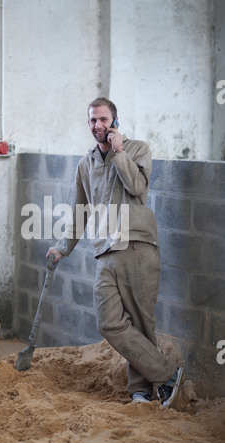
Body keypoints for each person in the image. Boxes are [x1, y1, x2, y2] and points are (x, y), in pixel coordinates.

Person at [46, 97, 183, 407]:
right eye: (93, 120)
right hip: (105, 250)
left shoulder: (137, 149)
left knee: (141, 323)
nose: (98, 126)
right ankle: (167, 373)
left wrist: (119, 150)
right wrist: (62, 248)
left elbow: (137, 187)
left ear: (115, 121)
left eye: (103, 120)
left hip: (137, 245)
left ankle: (141, 392)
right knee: (108, 322)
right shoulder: (86, 164)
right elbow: (80, 211)